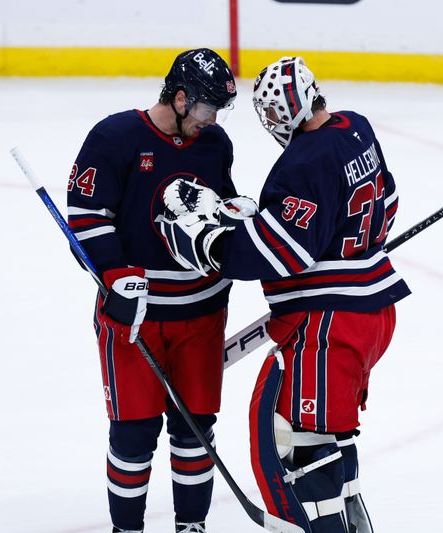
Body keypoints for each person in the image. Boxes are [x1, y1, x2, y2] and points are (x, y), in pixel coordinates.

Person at [160, 56, 411, 532]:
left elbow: (282, 253)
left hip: (330, 322)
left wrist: (213, 245)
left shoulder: (303, 160)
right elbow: (389, 201)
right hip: (373, 310)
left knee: (293, 437)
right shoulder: (355, 127)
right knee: (327, 428)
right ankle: (352, 522)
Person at [66, 48, 253, 533]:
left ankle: (191, 526)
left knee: (195, 432)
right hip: (136, 320)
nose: (213, 120)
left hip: (203, 315)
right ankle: (127, 529)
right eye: (208, 108)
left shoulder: (214, 144)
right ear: (181, 96)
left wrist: (234, 216)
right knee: (134, 433)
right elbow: (86, 218)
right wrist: (114, 274)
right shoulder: (114, 138)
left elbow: (215, 205)